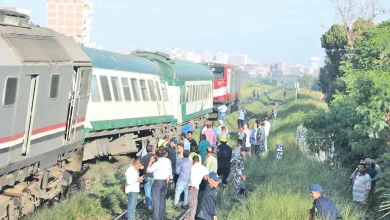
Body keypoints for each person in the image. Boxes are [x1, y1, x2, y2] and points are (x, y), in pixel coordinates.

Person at [146, 149, 173, 220]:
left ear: (156, 156)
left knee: (156, 201)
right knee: (162, 200)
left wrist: (150, 162)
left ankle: (156, 217)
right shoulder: (168, 161)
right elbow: (170, 170)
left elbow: (148, 171)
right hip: (164, 182)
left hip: (158, 183)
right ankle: (161, 217)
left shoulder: (156, 164)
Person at [188, 155, 209, 220]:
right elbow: (207, 175)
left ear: (193, 161)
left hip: (193, 187)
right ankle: (193, 216)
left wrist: (191, 186)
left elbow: (192, 178)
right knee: (196, 203)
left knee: (192, 204)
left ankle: (191, 218)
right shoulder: (203, 167)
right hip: (199, 187)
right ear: (199, 161)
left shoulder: (193, 167)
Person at [141, 145, 154, 210]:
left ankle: (149, 205)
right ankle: (153, 204)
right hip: (154, 176)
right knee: (153, 191)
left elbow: (142, 166)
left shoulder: (144, 157)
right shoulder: (155, 157)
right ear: (152, 149)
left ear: (146, 150)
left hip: (146, 176)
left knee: (147, 191)